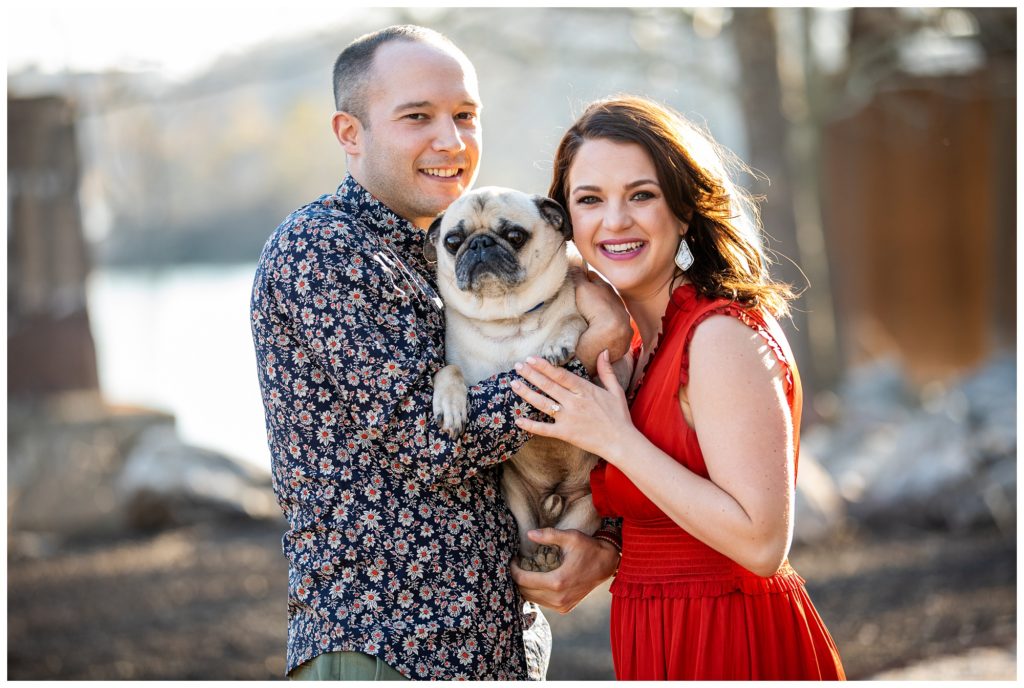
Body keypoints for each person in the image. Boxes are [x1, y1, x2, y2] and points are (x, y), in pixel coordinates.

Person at [249, 26, 627, 681]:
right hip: (389, 646)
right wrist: (584, 352)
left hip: (497, 645)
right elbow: (430, 440)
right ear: (349, 133)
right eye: (417, 117)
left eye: (465, 117)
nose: (450, 142)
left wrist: (604, 546)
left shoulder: (445, 250)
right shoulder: (327, 253)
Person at [510, 95, 846, 680]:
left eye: (641, 195)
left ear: (684, 208)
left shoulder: (717, 335)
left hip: (731, 641)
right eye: (590, 200)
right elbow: (669, 519)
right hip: (652, 635)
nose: (614, 222)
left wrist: (616, 440)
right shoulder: (636, 348)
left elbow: (763, 545)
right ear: (565, 221)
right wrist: (606, 555)